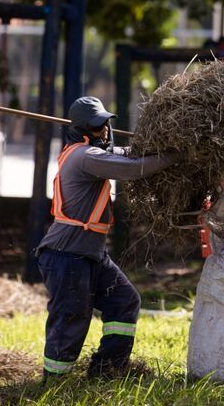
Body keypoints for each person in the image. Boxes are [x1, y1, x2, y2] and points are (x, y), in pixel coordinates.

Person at [36, 96, 177, 379]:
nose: (105, 131)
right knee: (71, 320)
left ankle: (107, 369)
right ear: (82, 129)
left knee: (124, 301)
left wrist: (150, 146)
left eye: (106, 125)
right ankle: (54, 381)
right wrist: (174, 157)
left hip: (90, 255)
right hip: (67, 255)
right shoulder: (85, 156)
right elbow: (132, 168)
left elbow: (124, 154)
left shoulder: (92, 153)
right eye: (98, 126)